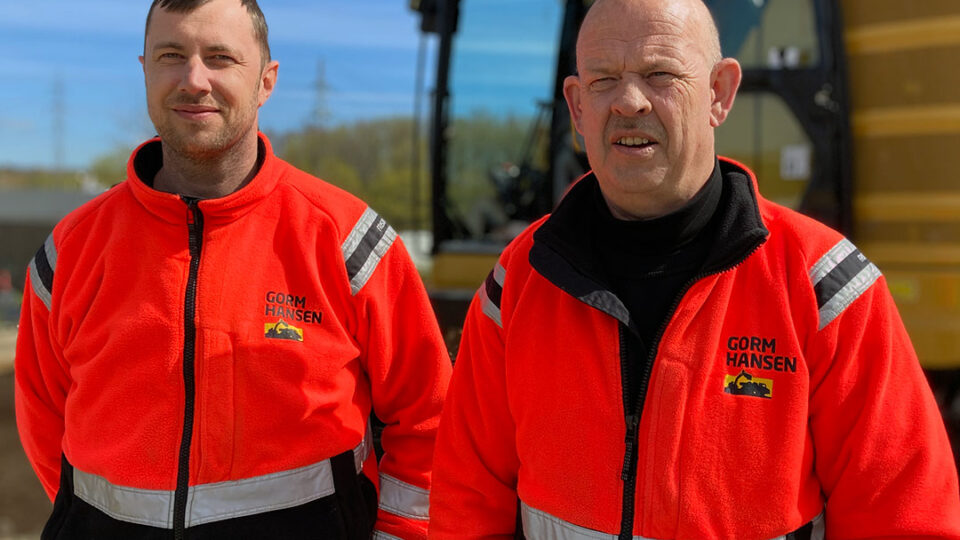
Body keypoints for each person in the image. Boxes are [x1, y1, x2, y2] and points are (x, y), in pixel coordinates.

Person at [428, 0, 960, 538]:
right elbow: (464, 498)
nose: (629, 102)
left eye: (660, 75)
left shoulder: (826, 288)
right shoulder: (519, 280)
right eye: (604, 80)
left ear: (720, 94)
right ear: (576, 106)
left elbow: (902, 516)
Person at [14, 1, 451, 538]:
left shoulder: (345, 239)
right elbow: (44, 426)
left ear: (266, 81)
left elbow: (428, 422)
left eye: (220, 58)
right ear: (145, 71)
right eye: (171, 55)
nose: (194, 80)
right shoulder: (72, 250)